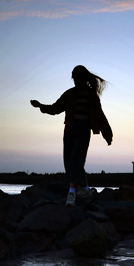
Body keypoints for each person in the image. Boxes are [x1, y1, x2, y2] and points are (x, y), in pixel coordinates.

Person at [30, 65, 113, 206]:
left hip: (83, 131)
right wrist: (41, 106)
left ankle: (72, 193)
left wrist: (107, 134)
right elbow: (55, 108)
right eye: (74, 78)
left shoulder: (91, 95)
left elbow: (100, 115)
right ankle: (85, 189)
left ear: (84, 78)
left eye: (78, 77)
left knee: (76, 161)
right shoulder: (69, 94)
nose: (75, 80)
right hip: (69, 130)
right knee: (69, 163)